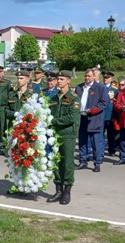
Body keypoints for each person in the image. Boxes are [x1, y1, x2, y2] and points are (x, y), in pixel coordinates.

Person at [46, 70, 81, 205]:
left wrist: (54, 121)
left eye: (61, 79)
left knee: (67, 163)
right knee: (56, 162)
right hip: (55, 135)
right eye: (58, 79)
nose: (59, 81)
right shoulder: (54, 98)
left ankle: (67, 191)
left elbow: (72, 117)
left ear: (68, 81)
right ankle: (58, 190)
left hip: (67, 135)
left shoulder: (73, 98)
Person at [74, 68, 108, 172]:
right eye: (86, 76)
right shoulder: (79, 87)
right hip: (81, 117)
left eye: (89, 76)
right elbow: (75, 100)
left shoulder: (100, 88)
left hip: (94, 118)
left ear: (94, 76)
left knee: (95, 143)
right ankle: (83, 161)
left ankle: (97, 163)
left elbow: (103, 103)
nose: (87, 78)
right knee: (82, 141)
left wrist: (93, 110)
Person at [0, 64, 13, 156]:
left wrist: (9, 106)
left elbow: (11, 94)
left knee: (3, 128)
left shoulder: (7, 82)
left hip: (2, 107)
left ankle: (1, 146)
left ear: (3, 72)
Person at [101, 70, 119, 157]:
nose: (105, 79)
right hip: (100, 114)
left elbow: (117, 102)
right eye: (104, 77)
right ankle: (100, 150)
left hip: (110, 114)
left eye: (107, 78)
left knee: (111, 135)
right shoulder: (99, 87)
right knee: (100, 134)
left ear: (111, 79)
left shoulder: (115, 90)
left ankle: (111, 150)